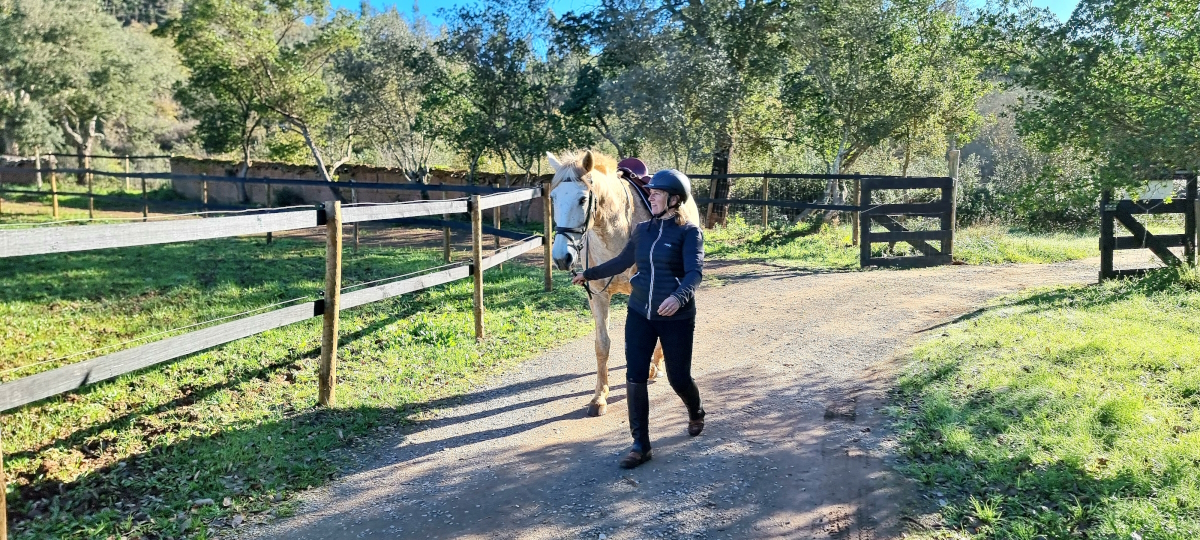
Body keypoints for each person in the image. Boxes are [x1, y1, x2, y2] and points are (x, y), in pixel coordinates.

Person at [571, 169, 705, 469]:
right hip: (640, 312)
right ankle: (640, 444)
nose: (650, 196)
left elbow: (695, 273)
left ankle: (696, 411)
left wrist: (678, 298)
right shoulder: (642, 230)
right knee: (634, 376)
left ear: (673, 200)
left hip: (675, 316)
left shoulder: (689, 233)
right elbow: (621, 261)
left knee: (678, 377)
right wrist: (588, 274)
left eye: (657, 193)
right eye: (652, 192)